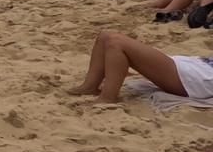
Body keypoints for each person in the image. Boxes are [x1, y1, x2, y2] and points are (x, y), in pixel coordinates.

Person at [67, 30, 213, 104]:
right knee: (104, 36)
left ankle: (108, 98)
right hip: (200, 65)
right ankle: (89, 86)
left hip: (198, 78)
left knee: (116, 43)